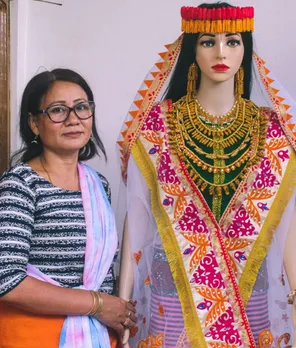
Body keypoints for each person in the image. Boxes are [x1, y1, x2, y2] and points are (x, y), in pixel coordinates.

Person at [117, 2, 296, 347]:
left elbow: (285, 220)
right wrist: (125, 303)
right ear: (191, 49)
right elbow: (136, 218)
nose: (220, 52)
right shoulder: (156, 126)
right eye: (207, 41)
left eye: (232, 41)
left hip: (251, 297)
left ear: (246, 49)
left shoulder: (273, 130)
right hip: (174, 295)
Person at [0, 68, 137, 348]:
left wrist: (117, 317)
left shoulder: (97, 185)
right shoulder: (20, 185)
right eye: (58, 110)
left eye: (82, 107)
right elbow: (7, 280)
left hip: (95, 337)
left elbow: (101, 275)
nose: (73, 119)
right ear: (35, 123)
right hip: (33, 336)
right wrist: (98, 304)